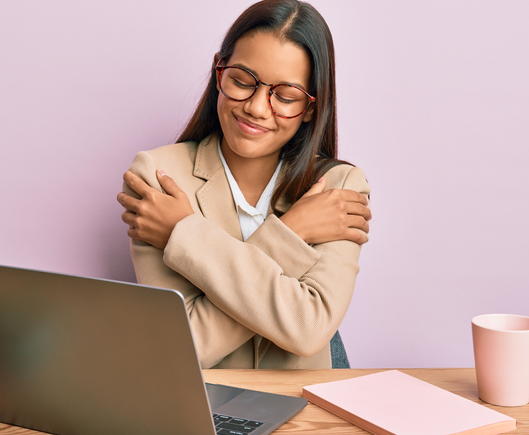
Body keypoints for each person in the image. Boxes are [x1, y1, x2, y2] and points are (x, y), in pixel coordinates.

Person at [117, 0, 371, 369]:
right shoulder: (157, 176)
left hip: (305, 412)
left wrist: (182, 232)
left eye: (285, 96)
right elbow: (183, 346)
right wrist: (292, 232)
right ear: (218, 71)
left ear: (312, 108)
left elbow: (308, 329)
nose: (255, 107)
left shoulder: (338, 187)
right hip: (205, 408)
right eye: (242, 80)